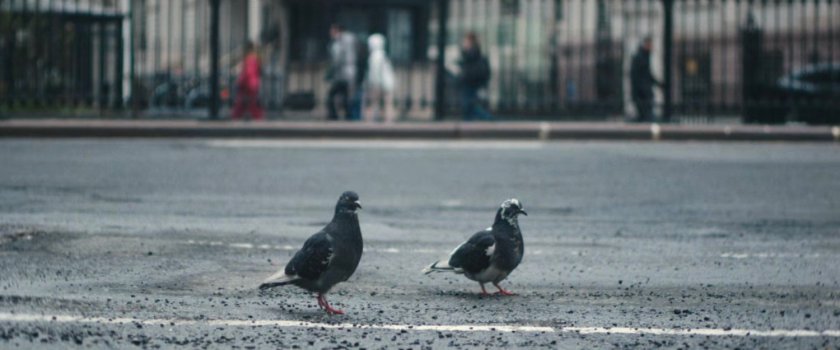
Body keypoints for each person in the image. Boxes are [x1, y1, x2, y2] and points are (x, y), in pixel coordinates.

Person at [459, 32, 493, 121]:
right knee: (469, 108)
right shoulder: (471, 53)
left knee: (470, 107)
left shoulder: (472, 53)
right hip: (470, 84)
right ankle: (485, 119)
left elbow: (469, 68)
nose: (464, 44)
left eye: (466, 42)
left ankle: (488, 118)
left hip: (471, 84)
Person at [326, 24, 357, 121]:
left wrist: (330, 72)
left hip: (341, 74)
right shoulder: (351, 40)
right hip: (350, 72)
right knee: (346, 95)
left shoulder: (339, 42)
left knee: (332, 95)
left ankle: (334, 116)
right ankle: (348, 116)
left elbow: (337, 59)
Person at [364, 34, 396, 123]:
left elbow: (374, 73)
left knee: (373, 103)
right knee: (387, 103)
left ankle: (371, 120)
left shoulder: (374, 56)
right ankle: (388, 120)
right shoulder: (383, 54)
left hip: (378, 83)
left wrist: (374, 85)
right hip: (387, 83)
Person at [630, 36, 662, 123]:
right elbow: (637, 76)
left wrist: (658, 84)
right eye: (650, 44)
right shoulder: (640, 57)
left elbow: (647, 74)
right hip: (642, 94)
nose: (652, 47)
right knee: (646, 117)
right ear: (646, 44)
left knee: (645, 117)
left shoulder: (645, 56)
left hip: (644, 92)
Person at [232, 41, 263, 120]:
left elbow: (248, 73)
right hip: (253, 83)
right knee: (251, 102)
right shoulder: (256, 59)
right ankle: (257, 116)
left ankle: (237, 115)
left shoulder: (250, 59)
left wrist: (241, 81)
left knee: (244, 101)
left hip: (248, 84)